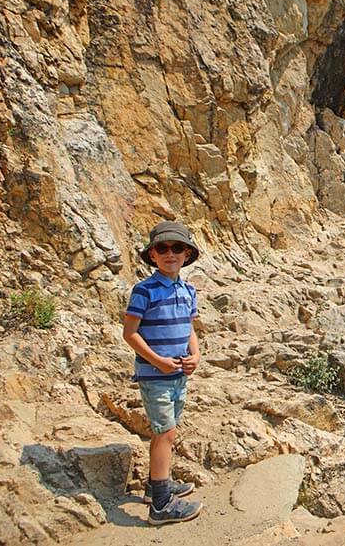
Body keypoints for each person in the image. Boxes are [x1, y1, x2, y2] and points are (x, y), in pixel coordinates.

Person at [122, 221, 203, 525]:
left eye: (177, 248)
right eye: (162, 248)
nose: (170, 253)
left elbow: (189, 328)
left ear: (187, 254)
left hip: (178, 374)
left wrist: (196, 355)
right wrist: (157, 361)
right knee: (165, 432)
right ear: (152, 255)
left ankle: (156, 484)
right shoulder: (144, 290)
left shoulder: (187, 290)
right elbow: (130, 333)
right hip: (155, 375)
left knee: (166, 431)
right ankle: (160, 505)